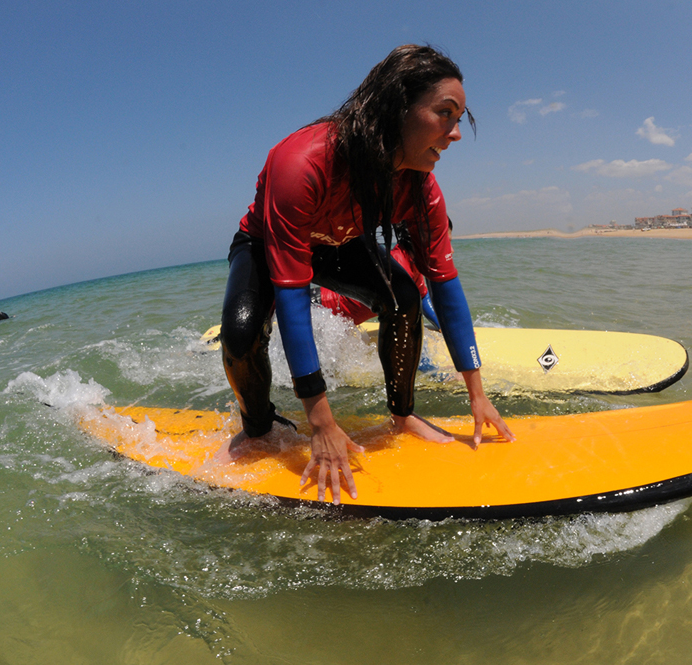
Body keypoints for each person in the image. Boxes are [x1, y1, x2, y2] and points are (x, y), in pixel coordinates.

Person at [219, 44, 514, 505]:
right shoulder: (303, 162)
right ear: (397, 107)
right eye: (445, 113)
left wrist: (477, 393)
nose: (456, 133)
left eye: (459, 118)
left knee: (404, 298)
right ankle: (258, 428)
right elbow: (291, 294)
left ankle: (403, 414)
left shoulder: (420, 188)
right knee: (240, 334)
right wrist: (321, 421)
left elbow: (445, 285)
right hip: (265, 244)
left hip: (340, 244)